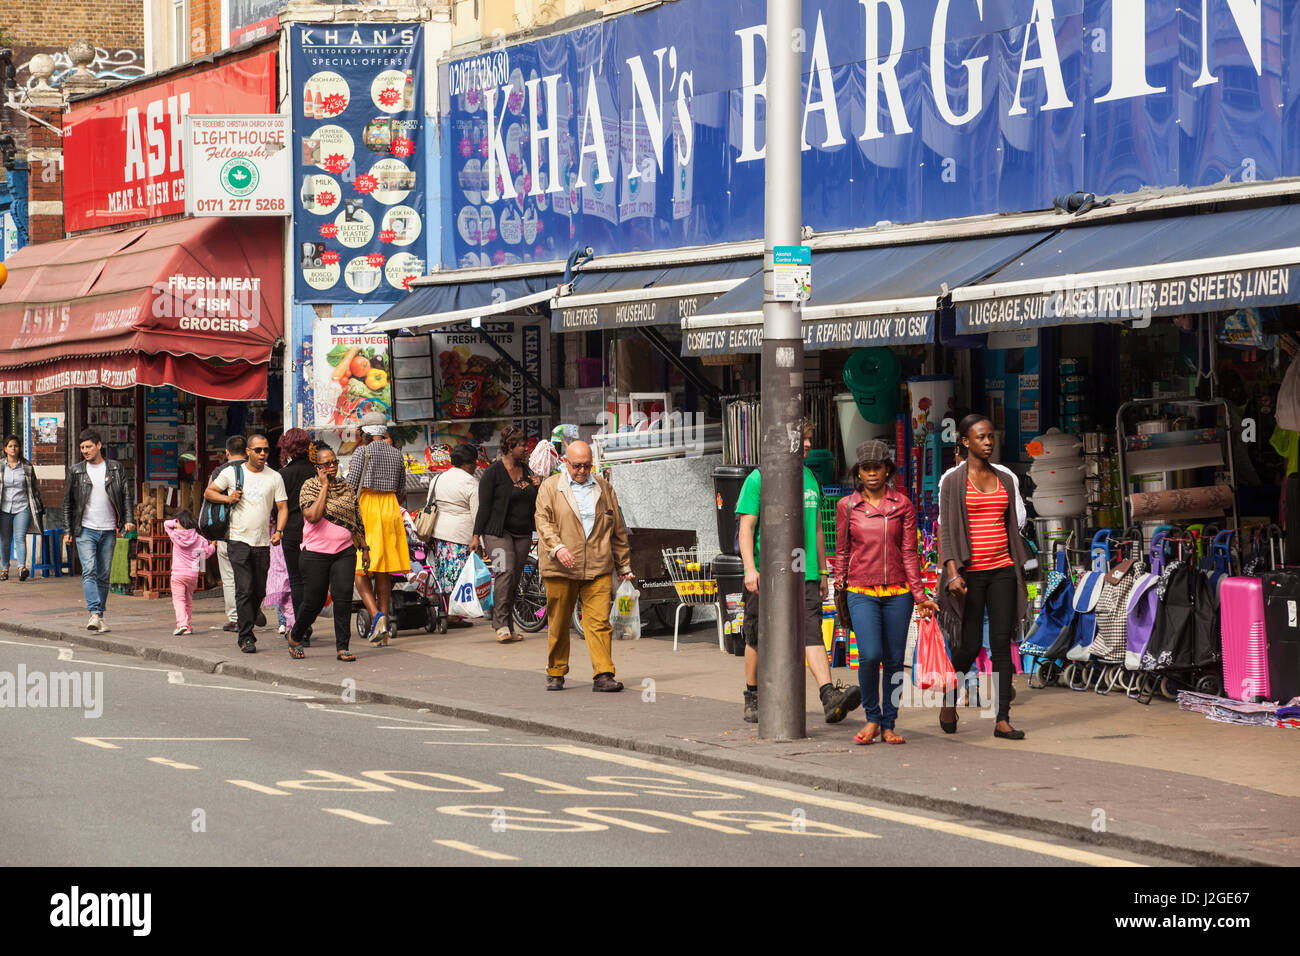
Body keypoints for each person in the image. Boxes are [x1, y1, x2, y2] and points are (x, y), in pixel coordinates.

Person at [736, 419, 860, 725]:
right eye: (802, 438)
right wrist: (750, 569)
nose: (807, 444)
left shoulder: (810, 478)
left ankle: (828, 696)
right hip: (767, 572)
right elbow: (746, 527)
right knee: (757, 634)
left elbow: (817, 529)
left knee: (811, 631)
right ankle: (752, 696)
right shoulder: (759, 478)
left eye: (808, 438)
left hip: (802, 571)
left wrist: (822, 571)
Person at [835, 440, 938, 746]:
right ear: (859, 472)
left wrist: (920, 595)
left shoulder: (903, 505)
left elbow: (909, 553)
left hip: (898, 593)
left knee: (894, 660)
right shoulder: (847, 506)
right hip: (860, 590)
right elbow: (841, 552)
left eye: (876, 467)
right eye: (865, 468)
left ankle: (888, 722)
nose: (871, 474)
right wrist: (839, 588)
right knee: (870, 656)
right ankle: (871, 718)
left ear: (887, 469)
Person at [938, 414, 1031, 740]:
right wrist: (952, 572)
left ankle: (1002, 718)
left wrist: (1020, 566)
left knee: (1002, 643)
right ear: (965, 441)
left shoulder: (1005, 479)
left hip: (1003, 570)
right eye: (980, 437)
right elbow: (946, 530)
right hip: (969, 575)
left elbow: (1013, 525)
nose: (988, 442)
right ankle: (950, 699)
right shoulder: (952, 481)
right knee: (969, 644)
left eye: (991, 436)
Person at [534, 440, 631, 692]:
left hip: (598, 565)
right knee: (558, 621)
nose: (582, 471)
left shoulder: (604, 488)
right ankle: (555, 671)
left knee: (599, 622)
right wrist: (558, 548)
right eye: (577, 466)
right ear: (566, 463)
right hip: (561, 568)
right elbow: (543, 522)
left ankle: (603, 674)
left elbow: (617, 529)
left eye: (587, 466)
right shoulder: (550, 487)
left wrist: (624, 566)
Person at [288, 443, 383, 662]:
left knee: (343, 598)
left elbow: (355, 520)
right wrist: (323, 487)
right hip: (315, 553)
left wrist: (364, 547)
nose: (332, 467)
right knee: (314, 600)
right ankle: (296, 635)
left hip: (344, 551)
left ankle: (343, 647)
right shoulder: (309, 487)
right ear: (317, 467)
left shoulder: (345, 487)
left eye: (334, 462)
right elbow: (313, 515)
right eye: (326, 464)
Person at [205, 432, 288, 653]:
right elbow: (209, 492)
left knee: (259, 589)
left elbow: (282, 507)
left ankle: (251, 612)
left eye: (266, 450)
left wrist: (279, 530)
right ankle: (246, 637)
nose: (263, 454)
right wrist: (228, 498)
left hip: (262, 541)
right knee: (244, 588)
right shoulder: (233, 472)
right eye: (258, 450)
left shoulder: (274, 476)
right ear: (248, 452)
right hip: (237, 539)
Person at [473, 426, 540, 643]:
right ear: (510, 447)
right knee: (505, 571)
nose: (526, 449)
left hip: (522, 533)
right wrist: (476, 536)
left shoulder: (527, 470)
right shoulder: (493, 472)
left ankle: (508, 625)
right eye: (522, 445)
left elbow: (534, 501)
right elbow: (484, 507)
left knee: (514, 579)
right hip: (497, 533)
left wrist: (538, 486)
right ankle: (500, 624)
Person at [63, 429, 135, 632]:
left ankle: (99, 616)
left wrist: (129, 520)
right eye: (82, 448)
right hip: (85, 529)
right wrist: (68, 530)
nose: (85, 451)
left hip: (109, 528)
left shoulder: (115, 468)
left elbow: (125, 496)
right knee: (90, 570)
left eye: (88, 446)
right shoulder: (76, 471)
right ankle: (94, 612)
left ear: (99, 445)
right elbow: (68, 502)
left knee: (104, 574)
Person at [347, 411, 410, 642]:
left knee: (360, 568)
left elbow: (352, 485)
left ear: (365, 432)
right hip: (390, 509)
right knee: (383, 568)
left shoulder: (362, 451)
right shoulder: (396, 454)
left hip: (367, 510)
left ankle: (377, 617)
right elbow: (402, 488)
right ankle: (382, 626)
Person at [429, 443, 481, 621]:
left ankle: (448, 611)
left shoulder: (438, 478)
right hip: (460, 535)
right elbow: (477, 514)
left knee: (444, 574)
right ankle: (454, 614)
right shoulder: (471, 483)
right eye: (474, 462)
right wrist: (478, 537)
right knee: (459, 576)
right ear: (467, 464)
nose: (476, 466)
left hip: (439, 533)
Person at [277, 428, 316, 636]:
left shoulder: (282, 475)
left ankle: (302, 628)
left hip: (291, 531)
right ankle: (307, 622)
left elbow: (278, 507)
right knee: (313, 580)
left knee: (296, 580)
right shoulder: (316, 471)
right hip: (316, 532)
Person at [214, 436, 248, 633]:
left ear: (227, 452)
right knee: (249, 574)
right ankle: (251, 611)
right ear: (247, 451)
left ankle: (235, 618)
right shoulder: (257, 470)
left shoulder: (220, 472)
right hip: (252, 532)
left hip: (226, 532)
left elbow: (209, 497)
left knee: (229, 578)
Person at [0, 435, 44, 581]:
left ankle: (21, 568)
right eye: (10, 446)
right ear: (5, 449)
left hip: (22, 506)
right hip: (4, 508)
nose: (13, 448)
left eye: (16, 446)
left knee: (20, 537)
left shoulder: (27, 467)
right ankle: (5, 569)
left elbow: (34, 489)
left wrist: (39, 506)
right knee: (5, 540)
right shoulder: (0, 466)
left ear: (19, 449)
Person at [164, 509, 215, 635]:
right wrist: (213, 545)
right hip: (192, 575)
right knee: (188, 600)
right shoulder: (200, 539)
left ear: (179, 522)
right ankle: (188, 626)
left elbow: (166, 524)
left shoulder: (175, 535)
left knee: (179, 600)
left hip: (177, 574)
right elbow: (205, 556)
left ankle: (182, 624)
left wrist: (176, 523)